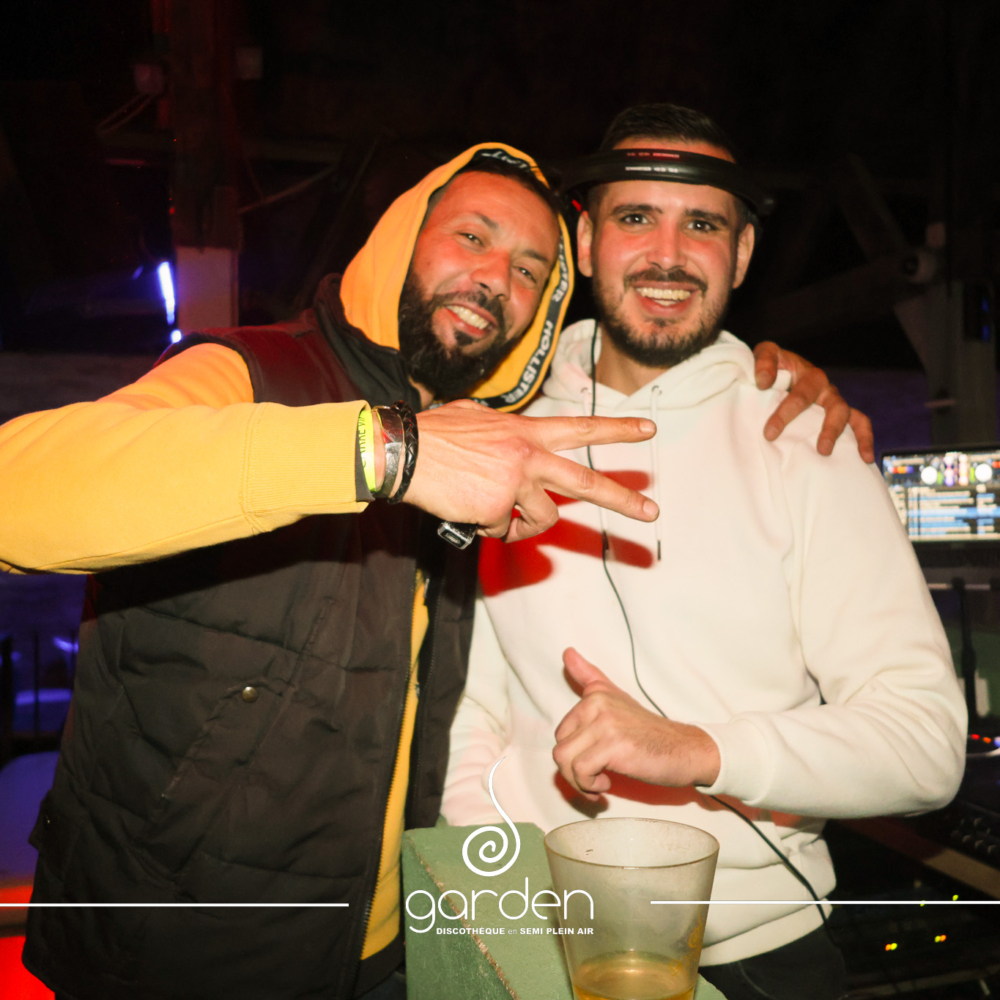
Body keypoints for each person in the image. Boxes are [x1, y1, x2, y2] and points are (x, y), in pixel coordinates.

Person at [1, 140, 857, 1000]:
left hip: (386, 952)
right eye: (472, 238)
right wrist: (386, 452)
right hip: (173, 955)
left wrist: (764, 378)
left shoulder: (488, 452)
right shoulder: (254, 370)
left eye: (529, 271)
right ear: (400, 240)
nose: (494, 280)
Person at [442, 107, 966, 1000]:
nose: (669, 256)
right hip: (536, 947)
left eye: (704, 225)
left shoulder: (807, 442)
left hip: (759, 959)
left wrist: (699, 749)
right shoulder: (502, 435)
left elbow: (926, 745)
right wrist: (502, 913)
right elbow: (473, 713)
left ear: (743, 252)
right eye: (635, 217)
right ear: (584, 240)